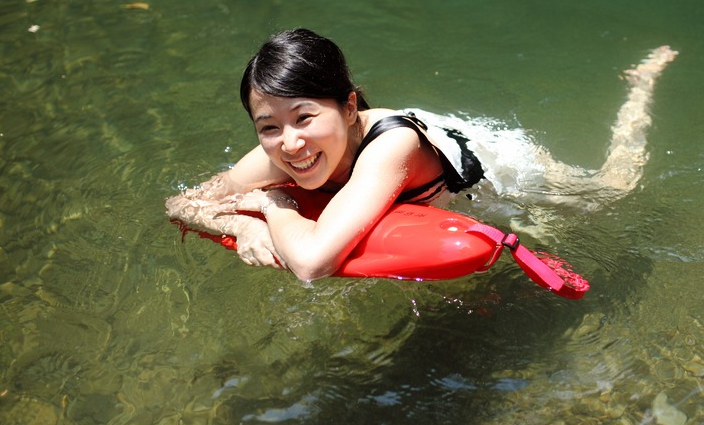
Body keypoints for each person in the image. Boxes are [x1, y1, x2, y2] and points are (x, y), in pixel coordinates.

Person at [166, 29, 677, 281]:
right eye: (269, 126)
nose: (290, 143)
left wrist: (273, 204)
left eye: (304, 117)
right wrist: (243, 226)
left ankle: (640, 91)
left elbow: (312, 262)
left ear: (348, 106)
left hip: (492, 167)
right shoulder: (280, 151)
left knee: (613, 189)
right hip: (417, 137)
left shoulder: (393, 149)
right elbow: (182, 203)